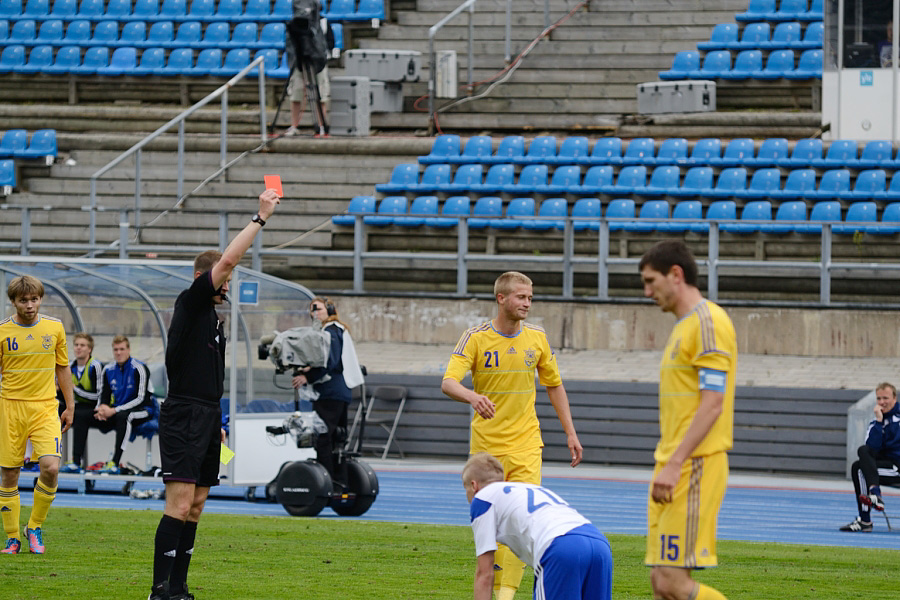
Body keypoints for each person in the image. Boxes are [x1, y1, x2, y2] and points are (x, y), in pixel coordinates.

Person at [150, 188, 280, 600]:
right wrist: (260, 218)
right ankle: (158, 591)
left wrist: (219, 423)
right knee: (181, 502)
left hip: (207, 416)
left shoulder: (215, 322)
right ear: (206, 280)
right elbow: (228, 260)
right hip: (184, 413)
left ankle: (179, 588)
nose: (228, 286)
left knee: (199, 502)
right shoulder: (190, 303)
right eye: (224, 282)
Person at [442, 271, 583, 600]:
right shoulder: (475, 338)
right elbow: (448, 382)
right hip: (487, 452)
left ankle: (505, 595)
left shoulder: (537, 339)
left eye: (530, 298)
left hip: (527, 444)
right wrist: (473, 397)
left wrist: (570, 433)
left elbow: (554, 385)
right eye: (521, 297)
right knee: (493, 523)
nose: (527, 303)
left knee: (525, 520)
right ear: (501, 299)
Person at [638, 240, 737, 600]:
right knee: (660, 586)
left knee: (671, 582)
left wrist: (675, 463)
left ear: (675, 275)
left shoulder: (709, 322)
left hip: (693, 466)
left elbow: (713, 404)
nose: (647, 292)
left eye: (651, 281)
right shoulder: (683, 326)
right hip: (671, 465)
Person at [463, 452, 612, 600]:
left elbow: (485, 573)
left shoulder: (482, 498)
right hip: (599, 544)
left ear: (474, 485)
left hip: (560, 547)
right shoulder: (526, 488)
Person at [0, 275, 75, 555]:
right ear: (14, 302)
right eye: (23, 300)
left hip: (45, 407)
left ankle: (35, 526)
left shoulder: (54, 328)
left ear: (40, 299)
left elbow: (63, 367)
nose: (30, 305)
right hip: (10, 407)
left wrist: (70, 405)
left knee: (51, 468)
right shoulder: (3, 332)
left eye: (34, 299)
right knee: (9, 475)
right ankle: (12, 538)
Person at [291, 296, 363, 488]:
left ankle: (327, 483)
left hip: (330, 393)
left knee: (323, 439)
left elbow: (329, 362)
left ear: (330, 311)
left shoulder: (329, 331)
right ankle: (340, 481)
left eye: (319, 310)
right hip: (340, 392)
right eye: (312, 311)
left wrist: (308, 376)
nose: (315, 314)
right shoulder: (338, 330)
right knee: (337, 440)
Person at [88, 335, 155, 474]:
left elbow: (141, 398)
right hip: (118, 410)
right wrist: (101, 408)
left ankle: (115, 462)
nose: (118, 353)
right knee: (82, 415)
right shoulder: (109, 369)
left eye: (122, 349)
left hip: (144, 410)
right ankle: (75, 462)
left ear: (129, 350)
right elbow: (103, 394)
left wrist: (114, 410)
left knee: (125, 417)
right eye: (116, 350)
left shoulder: (140, 368)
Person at [840, 382, 900, 532]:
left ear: (895, 398)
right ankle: (867, 515)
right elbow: (871, 448)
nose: (882, 402)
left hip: (898, 467)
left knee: (862, 464)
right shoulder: (876, 422)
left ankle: (875, 497)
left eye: (885, 398)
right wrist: (879, 422)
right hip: (886, 465)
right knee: (859, 462)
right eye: (879, 399)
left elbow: (892, 446)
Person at [59, 332, 104, 473]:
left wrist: (75, 390)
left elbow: (98, 395)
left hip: (93, 407)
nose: (78, 348)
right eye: (76, 345)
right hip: (76, 405)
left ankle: (76, 461)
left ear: (89, 349)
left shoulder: (95, 366)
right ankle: (38, 459)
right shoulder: (70, 366)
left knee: (79, 416)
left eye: (83, 345)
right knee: (51, 410)